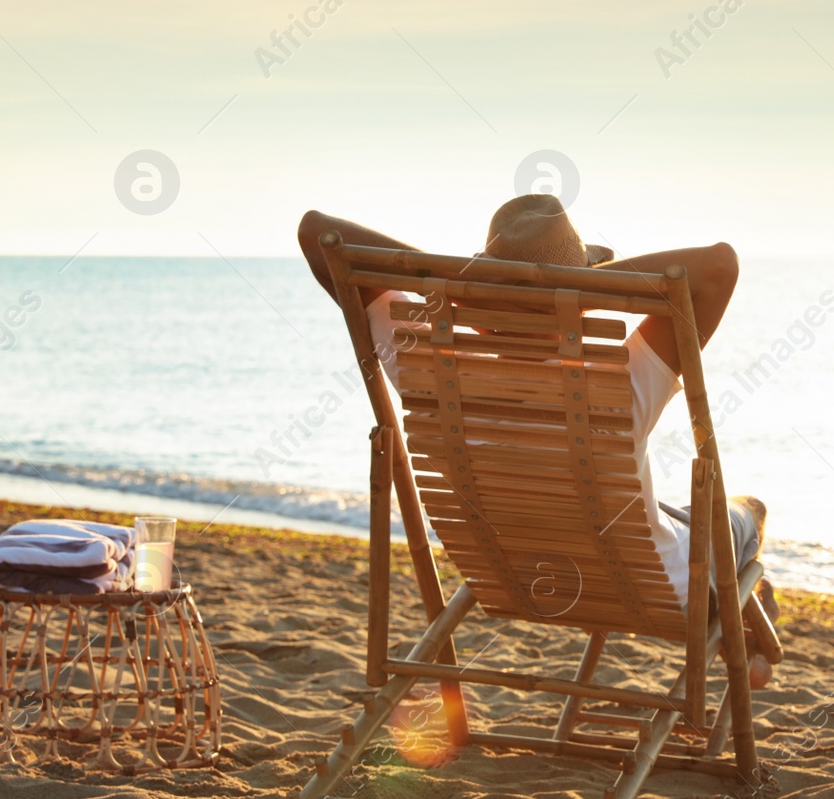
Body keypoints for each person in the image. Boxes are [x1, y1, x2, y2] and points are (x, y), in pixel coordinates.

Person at [297, 196, 780, 686]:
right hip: (655, 588)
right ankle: (752, 620)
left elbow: (319, 234)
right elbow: (718, 265)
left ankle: (752, 622)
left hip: (516, 585)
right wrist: (566, 293)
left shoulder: (424, 371)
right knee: (747, 510)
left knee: (671, 512)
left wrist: (467, 286)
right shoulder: (619, 381)